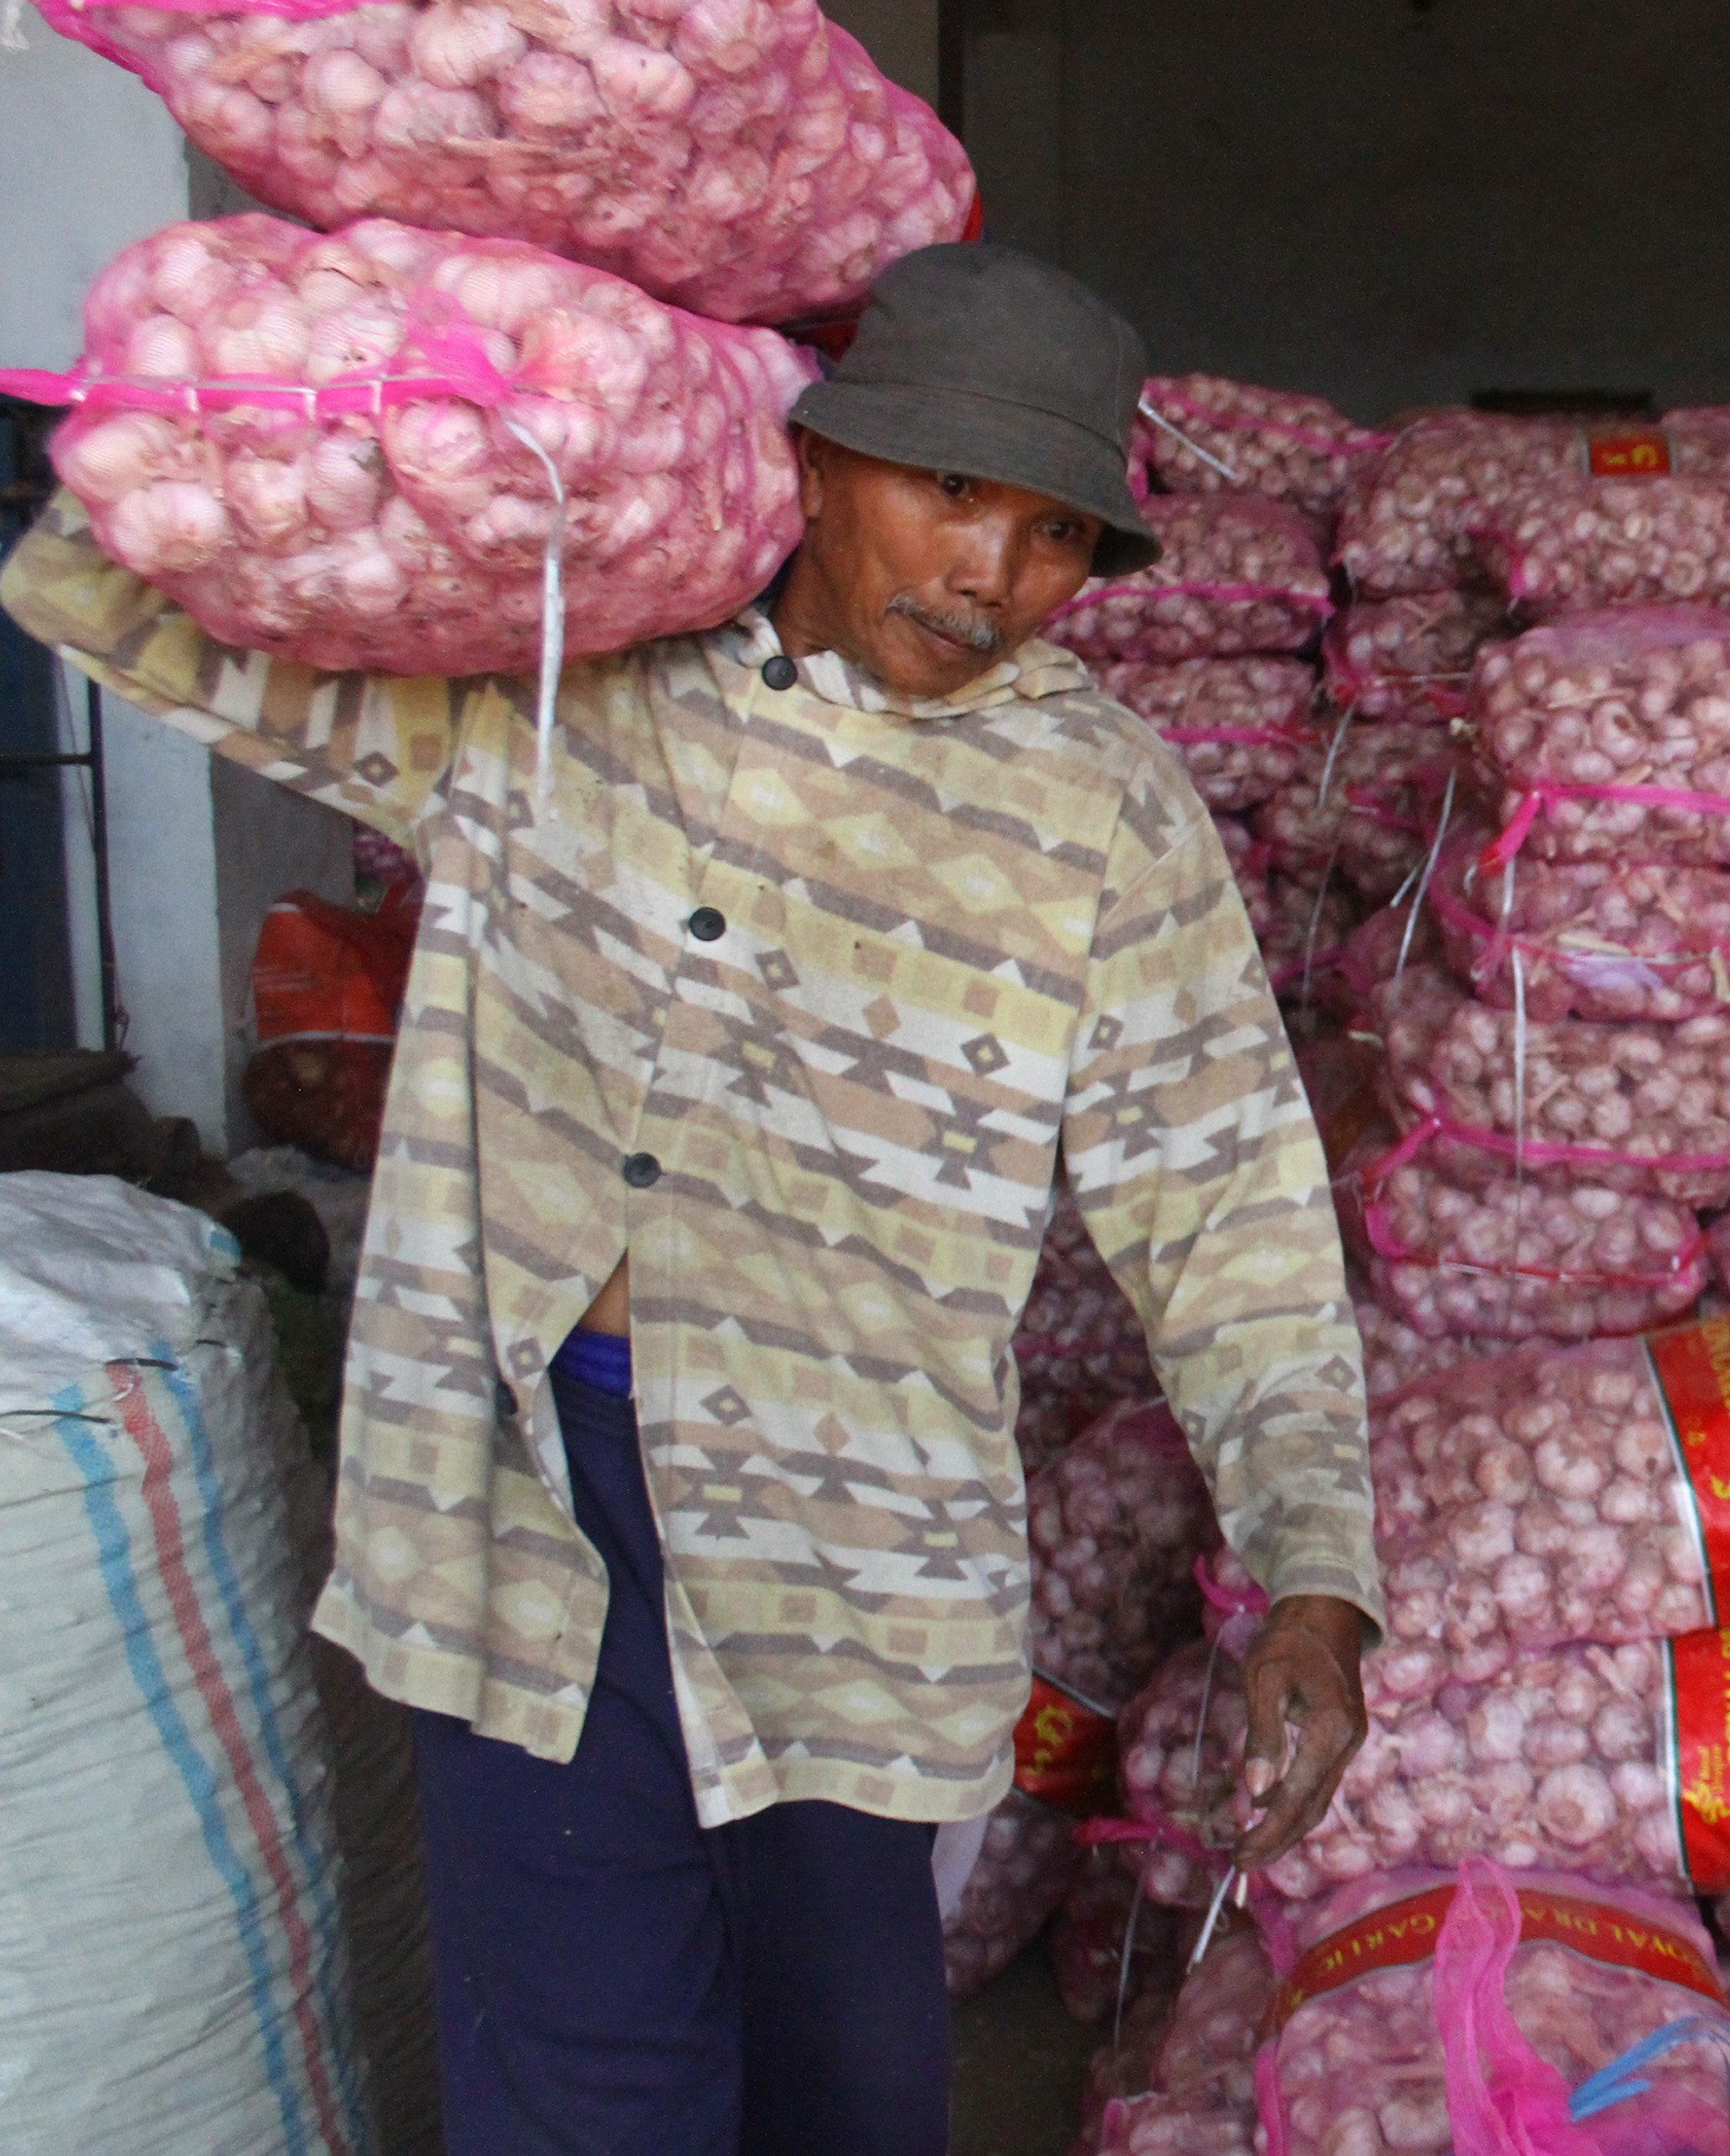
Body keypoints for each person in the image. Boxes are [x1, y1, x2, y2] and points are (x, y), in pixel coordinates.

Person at [0, 244, 1380, 2156]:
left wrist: (1315, 1570)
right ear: (813, 459)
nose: (991, 571)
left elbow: (1230, 1213)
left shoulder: (1099, 814)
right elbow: (112, 608)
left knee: (844, 2095)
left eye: (1056, 531)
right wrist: (208, 412)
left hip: (851, 1546)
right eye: (949, 487)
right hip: (521, 1507)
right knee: (579, 2090)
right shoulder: (555, 688)